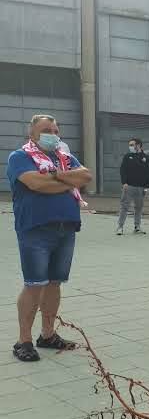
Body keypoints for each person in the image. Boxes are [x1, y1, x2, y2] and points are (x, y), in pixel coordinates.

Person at [8, 114, 92, 362]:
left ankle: (47, 334)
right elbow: (35, 184)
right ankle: (23, 340)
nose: (52, 134)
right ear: (32, 134)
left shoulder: (64, 158)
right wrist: (66, 180)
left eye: (56, 130)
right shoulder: (20, 157)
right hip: (36, 229)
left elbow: (85, 176)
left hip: (66, 229)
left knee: (54, 283)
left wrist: (53, 176)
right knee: (34, 284)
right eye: (46, 130)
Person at [117, 137, 149, 235]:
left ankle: (137, 227)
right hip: (129, 187)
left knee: (138, 208)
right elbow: (123, 170)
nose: (130, 147)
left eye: (132, 145)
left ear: (138, 145)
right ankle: (120, 227)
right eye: (130, 145)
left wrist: (148, 187)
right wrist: (124, 183)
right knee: (124, 207)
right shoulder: (127, 157)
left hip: (141, 188)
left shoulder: (147, 158)